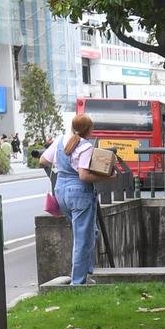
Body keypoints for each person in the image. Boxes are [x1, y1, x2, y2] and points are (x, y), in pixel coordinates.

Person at [42, 113, 103, 285]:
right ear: (89, 130)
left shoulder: (60, 140)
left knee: (91, 232)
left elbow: (42, 160)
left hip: (61, 191)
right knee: (82, 238)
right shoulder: (85, 146)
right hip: (79, 193)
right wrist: (106, 177)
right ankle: (78, 282)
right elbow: (84, 175)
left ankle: (87, 271)